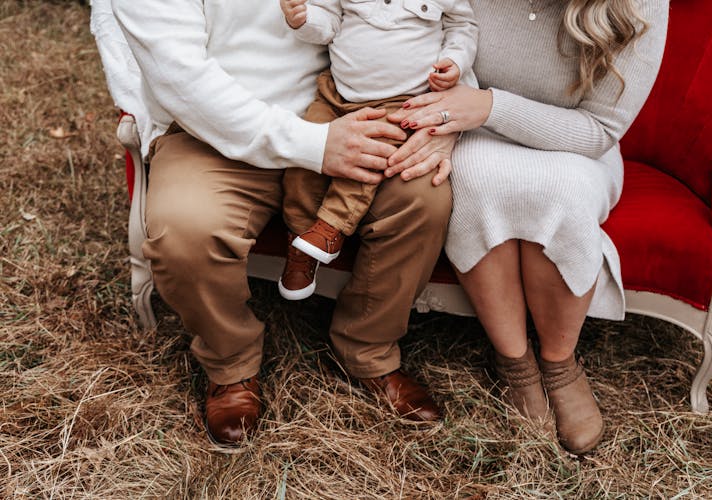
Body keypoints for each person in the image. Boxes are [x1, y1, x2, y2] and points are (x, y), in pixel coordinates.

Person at [112, 0, 456, 446]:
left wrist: (443, 109)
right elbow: (183, 80)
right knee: (184, 230)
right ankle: (231, 364)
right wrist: (314, 145)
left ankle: (367, 347)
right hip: (212, 133)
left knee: (420, 200)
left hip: (343, 108)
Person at [389, 0, 669, 455]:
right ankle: (515, 363)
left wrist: (490, 107)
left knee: (562, 192)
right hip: (472, 130)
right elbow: (435, 47)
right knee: (476, 182)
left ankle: (560, 365)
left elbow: (600, 129)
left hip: (576, 146)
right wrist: (451, 117)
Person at [276, 0, 477, 300]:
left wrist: (455, 61)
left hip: (399, 102)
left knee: (365, 161)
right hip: (336, 94)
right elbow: (328, 21)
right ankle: (300, 245)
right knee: (304, 164)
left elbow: (463, 26)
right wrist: (304, 20)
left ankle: (332, 227)